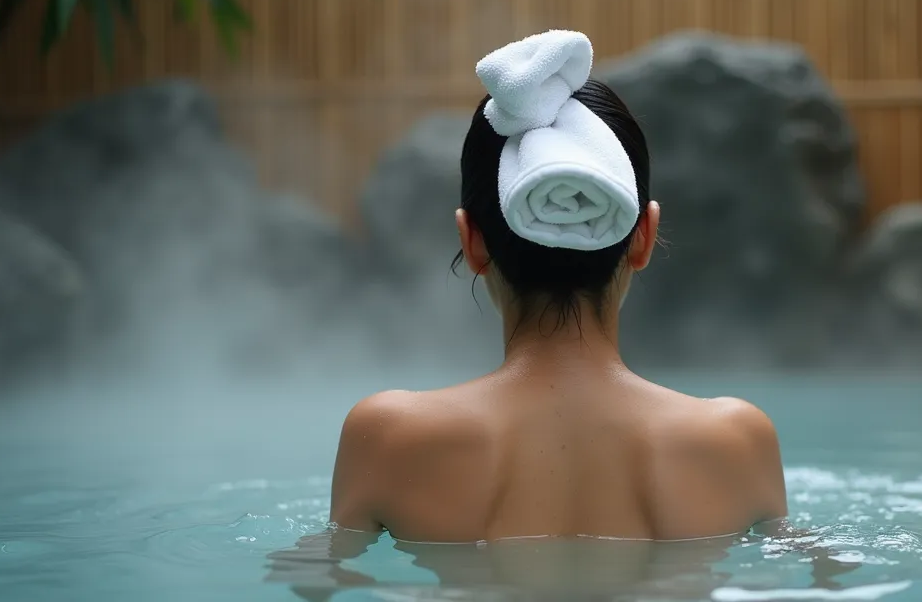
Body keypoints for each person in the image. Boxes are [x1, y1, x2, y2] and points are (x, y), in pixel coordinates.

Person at [330, 30, 787, 544]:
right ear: (644, 237)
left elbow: (316, 581)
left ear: (472, 240)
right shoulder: (735, 441)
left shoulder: (390, 437)